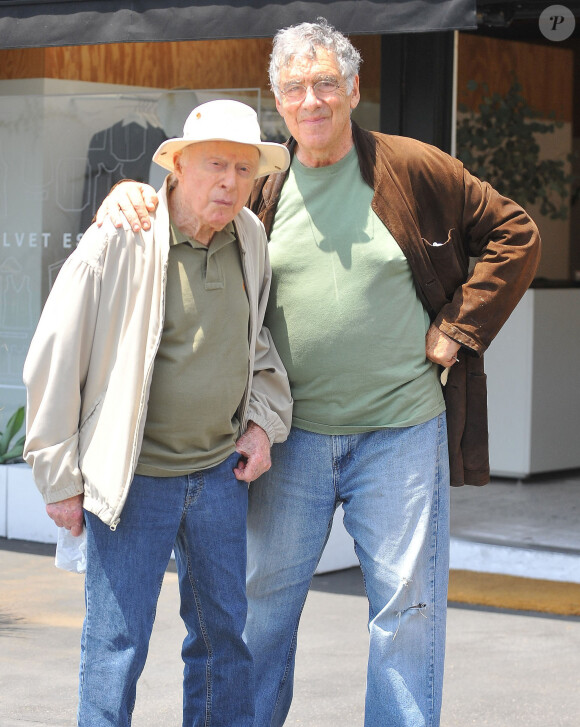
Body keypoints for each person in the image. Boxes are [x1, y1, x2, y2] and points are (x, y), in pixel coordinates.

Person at [95, 18, 541, 727]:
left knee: (407, 611)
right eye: (296, 87)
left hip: (400, 432)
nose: (312, 101)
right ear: (278, 97)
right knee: (261, 611)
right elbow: (190, 204)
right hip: (290, 435)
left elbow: (517, 232)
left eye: (326, 83)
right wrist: (130, 191)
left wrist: (458, 329)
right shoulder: (258, 187)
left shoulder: (413, 168)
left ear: (354, 89)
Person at [23, 99, 292, 727]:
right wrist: (58, 477)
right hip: (135, 481)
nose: (230, 182)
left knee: (224, 643)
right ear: (176, 167)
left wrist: (262, 423)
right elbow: (56, 356)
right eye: (216, 164)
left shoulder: (249, 236)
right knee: (117, 648)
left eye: (244, 169)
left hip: (219, 478)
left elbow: (256, 346)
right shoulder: (121, 233)